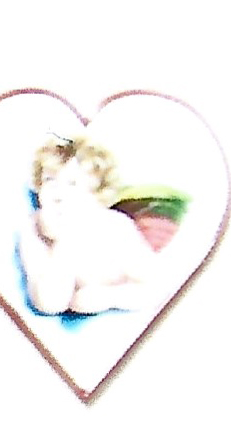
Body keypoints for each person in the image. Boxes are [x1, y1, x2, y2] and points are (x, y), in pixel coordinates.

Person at [17, 134, 161, 319]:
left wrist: (110, 297)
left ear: (96, 195)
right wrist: (64, 242)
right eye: (49, 180)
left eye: (72, 184)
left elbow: (155, 288)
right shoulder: (33, 228)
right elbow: (49, 303)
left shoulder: (115, 227)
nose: (58, 193)